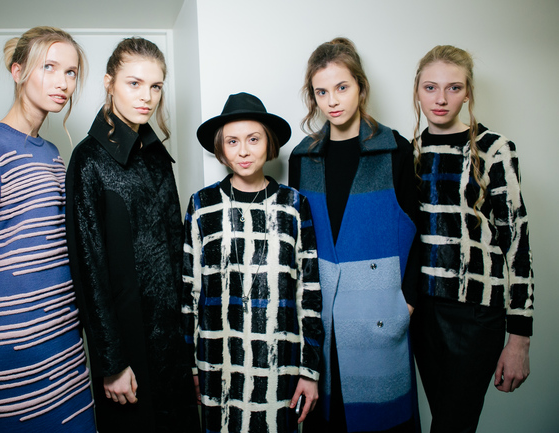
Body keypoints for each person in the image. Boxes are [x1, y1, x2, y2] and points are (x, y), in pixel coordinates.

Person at [0, 26, 96, 433]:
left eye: (71, 72)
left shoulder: (54, 154)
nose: (63, 83)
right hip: (12, 349)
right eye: (49, 67)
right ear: (17, 71)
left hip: (64, 343)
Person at [65, 37, 200, 433]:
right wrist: (111, 364)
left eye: (156, 86)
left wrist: (190, 344)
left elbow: (177, 252)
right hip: (128, 348)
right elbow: (88, 270)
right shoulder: (88, 159)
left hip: (172, 343)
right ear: (109, 83)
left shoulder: (157, 156)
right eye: (134, 83)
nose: (147, 97)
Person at [288, 38, 420, 433]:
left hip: (379, 318)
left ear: (360, 86)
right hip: (322, 322)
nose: (332, 101)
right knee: (326, 422)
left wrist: (407, 303)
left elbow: (421, 232)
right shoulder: (303, 157)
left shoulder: (395, 149)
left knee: (383, 421)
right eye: (321, 92)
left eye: (342, 87)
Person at [182, 92, 324, 433]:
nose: (243, 151)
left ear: (269, 143)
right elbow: (189, 293)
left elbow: (309, 293)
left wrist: (310, 371)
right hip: (217, 362)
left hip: (280, 363)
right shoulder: (202, 205)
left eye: (253, 139)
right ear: (221, 148)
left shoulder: (294, 205)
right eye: (232, 141)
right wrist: (190, 367)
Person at [410, 45, 533, 433]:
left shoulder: (494, 148)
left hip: (477, 311)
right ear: (417, 91)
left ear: (468, 93)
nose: (441, 99)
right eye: (430, 87)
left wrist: (520, 338)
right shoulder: (408, 153)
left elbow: (517, 243)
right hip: (422, 310)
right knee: (443, 420)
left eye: (454, 88)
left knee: (454, 425)